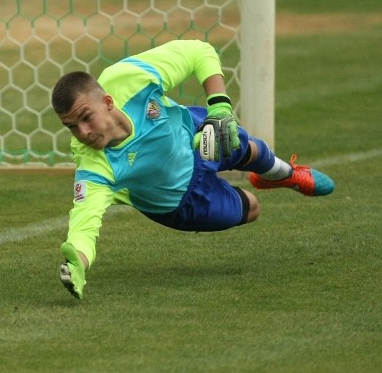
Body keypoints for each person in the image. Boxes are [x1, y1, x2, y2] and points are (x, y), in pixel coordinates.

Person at [51, 39, 334, 299]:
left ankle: (285, 175)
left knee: (249, 149)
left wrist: (220, 107)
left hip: (195, 133)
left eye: (86, 118)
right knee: (252, 208)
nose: (83, 132)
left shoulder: (128, 77)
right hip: (182, 200)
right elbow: (85, 224)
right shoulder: (94, 166)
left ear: (108, 102)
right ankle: (263, 180)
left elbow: (199, 52)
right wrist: (77, 261)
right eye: (71, 127)